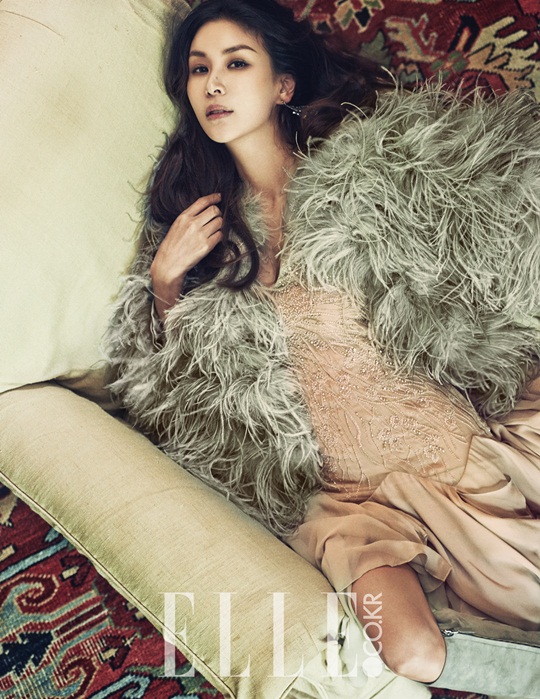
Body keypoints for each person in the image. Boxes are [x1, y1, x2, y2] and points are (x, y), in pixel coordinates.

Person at [105, 0, 540, 691]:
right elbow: (174, 405)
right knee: (411, 651)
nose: (213, 84)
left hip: (458, 445)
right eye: (198, 69)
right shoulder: (200, 238)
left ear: (282, 85)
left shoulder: (372, 176)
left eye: (235, 63)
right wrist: (164, 286)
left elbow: (490, 234)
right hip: (353, 501)